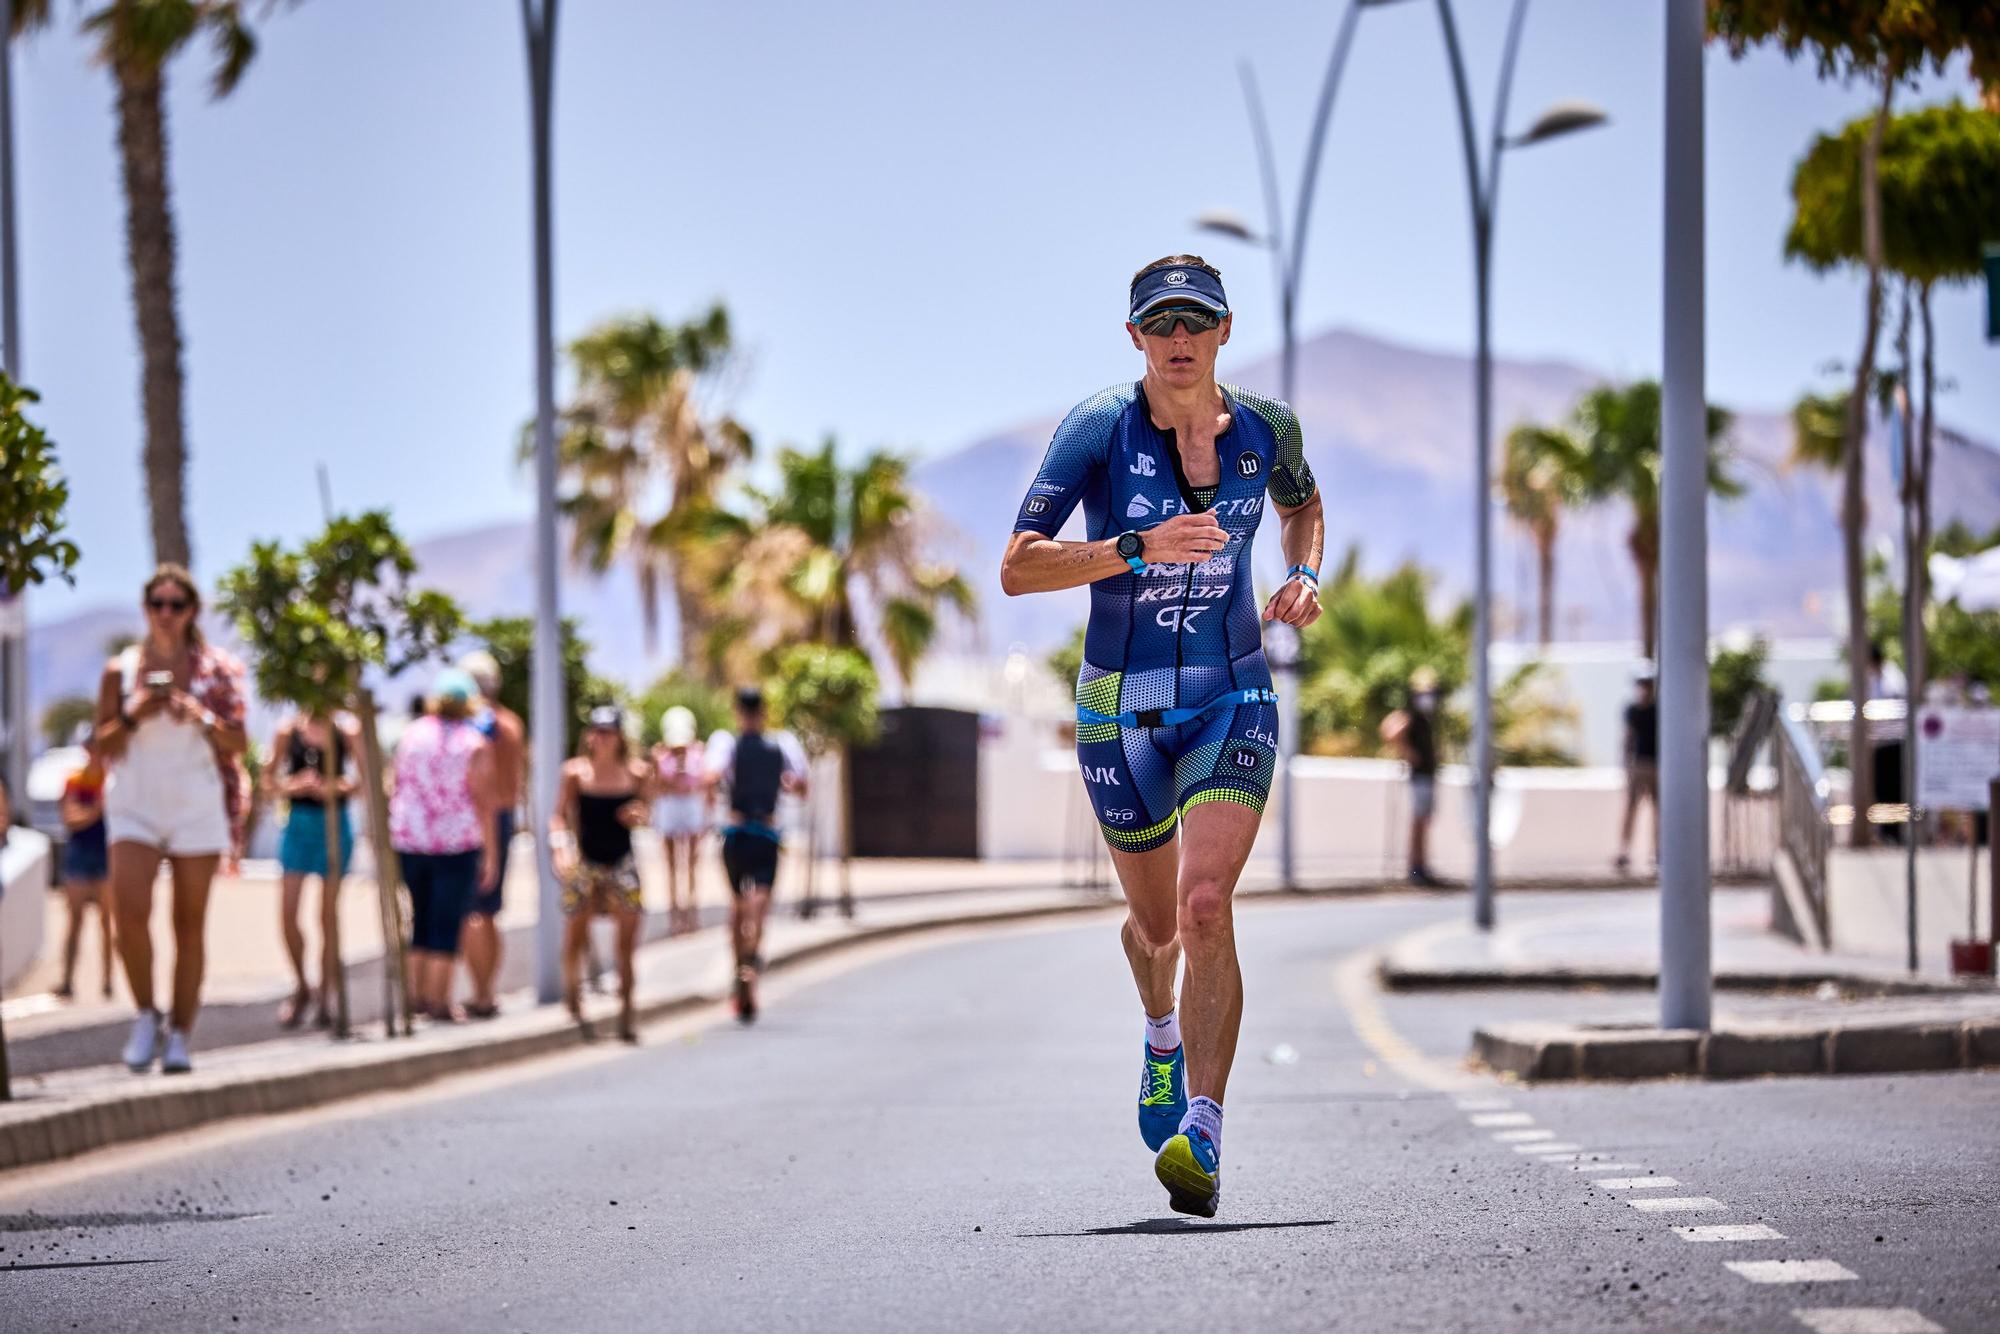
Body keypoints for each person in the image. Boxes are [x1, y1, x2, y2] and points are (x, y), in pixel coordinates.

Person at [998, 255, 1323, 1218]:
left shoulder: (1270, 430)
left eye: (1197, 322)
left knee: (1207, 906)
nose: (1180, 340)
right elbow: (1019, 568)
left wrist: (1307, 574)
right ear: (1135, 337)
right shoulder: (1099, 428)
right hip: (1119, 706)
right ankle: (1160, 1034)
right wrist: (1137, 547)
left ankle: (1205, 1135)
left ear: (1225, 330)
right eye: (1161, 325)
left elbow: (1301, 503)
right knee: (1153, 929)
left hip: (1233, 695)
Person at [92, 565, 250, 1075]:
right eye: (157, 604)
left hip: (195, 803)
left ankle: (181, 1034)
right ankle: (145, 1014)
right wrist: (139, 711)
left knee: (189, 923)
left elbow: (239, 741)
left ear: (191, 612)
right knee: (129, 913)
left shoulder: (216, 670)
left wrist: (197, 714)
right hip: (135, 800)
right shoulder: (121, 670)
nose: (165, 613)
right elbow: (100, 746)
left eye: (175, 604)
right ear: (145, 610)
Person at [389, 668, 497, 1023]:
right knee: (445, 923)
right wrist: (492, 853)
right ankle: (437, 1001)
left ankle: (414, 997)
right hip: (456, 844)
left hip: (411, 840)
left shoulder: (412, 734)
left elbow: (397, 783)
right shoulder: (473, 742)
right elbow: (482, 799)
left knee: (419, 919)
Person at [706, 687, 808, 1024]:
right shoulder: (727, 745)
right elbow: (712, 776)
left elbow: (802, 786)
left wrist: (790, 783)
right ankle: (742, 968)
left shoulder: (782, 746)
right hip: (738, 835)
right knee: (741, 907)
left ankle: (749, 964)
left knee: (758, 908)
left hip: (765, 834)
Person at [550, 705, 652, 1042]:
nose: (601, 738)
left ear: (619, 736)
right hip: (587, 861)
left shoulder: (636, 773)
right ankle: (573, 997)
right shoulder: (576, 773)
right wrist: (560, 849)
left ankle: (626, 1012)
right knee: (573, 932)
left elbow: (647, 810)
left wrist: (638, 814)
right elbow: (559, 817)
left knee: (627, 942)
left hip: (621, 860)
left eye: (608, 731)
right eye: (596, 731)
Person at [268, 707, 360, 1028]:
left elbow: (363, 781)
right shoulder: (287, 730)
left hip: (334, 825)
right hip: (298, 824)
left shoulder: (346, 730)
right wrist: (293, 786)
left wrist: (334, 787)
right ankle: (302, 986)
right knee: (288, 914)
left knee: (327, 916)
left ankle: (326, 995)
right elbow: (268, 781)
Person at [459, 650, 524, 1018]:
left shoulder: (490, 726)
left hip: (487, 820)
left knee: (477, 911)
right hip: (500, 818)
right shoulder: (511, 723)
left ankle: (483, 992)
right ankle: (484, 990)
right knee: (486, 912)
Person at [57, 733, 114, 1001]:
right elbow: (70, 818)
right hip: (81, 853)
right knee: (75, 920)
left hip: (105, 854)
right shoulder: (75, 780)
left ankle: (108, 981)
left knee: (106, 922)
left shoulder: (111, 781)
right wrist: (97, 811)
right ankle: (67, 980)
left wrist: (88, 814)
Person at [1380, 668, 1443, 888]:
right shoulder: (1412, 715)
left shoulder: (1426, 717)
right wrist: (1408, 752)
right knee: (1419, 822)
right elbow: (1390, 730)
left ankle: (1421, 865)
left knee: (1424, 821)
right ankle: (1416, 868)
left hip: (1427, 775)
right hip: (1420, 777)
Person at [651, 705, 707, 935]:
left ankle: (692, 912)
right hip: (670, 805)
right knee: (672, 865)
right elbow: (657, 785)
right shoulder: (661, 756)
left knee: (692, 863)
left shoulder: (698, 754)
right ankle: (675, 915)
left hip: (690, 804)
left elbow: (702, 780)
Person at [1616, 667, 1659, 873]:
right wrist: (1626, 765)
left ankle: (1657, 851)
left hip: (1658, 765)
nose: (1645, 689)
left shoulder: (1659, 709)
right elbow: (1628, 737)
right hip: (1639, 764)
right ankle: (1624, 851)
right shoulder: (1633, 710)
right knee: (1631, 809)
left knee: (1659, 811)